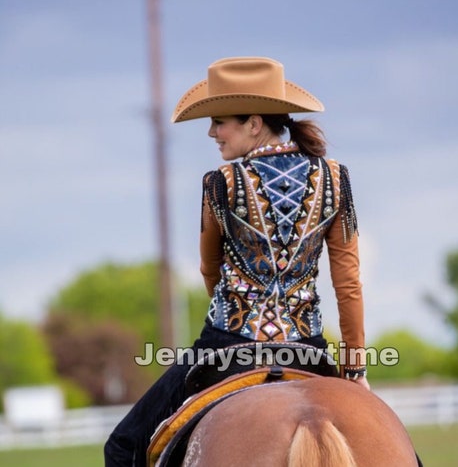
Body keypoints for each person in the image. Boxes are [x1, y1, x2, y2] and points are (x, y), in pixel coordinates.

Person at [104, 56, 369, 466]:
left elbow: (210, 271)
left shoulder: (221, 184)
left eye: (220, 121)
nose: (212, 132)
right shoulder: (335, 179)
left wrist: (238, 318)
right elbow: (347, 282)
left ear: (254, 122)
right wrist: (354, 367)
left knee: (123, 446)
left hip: (228, 343)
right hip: (307, 345)